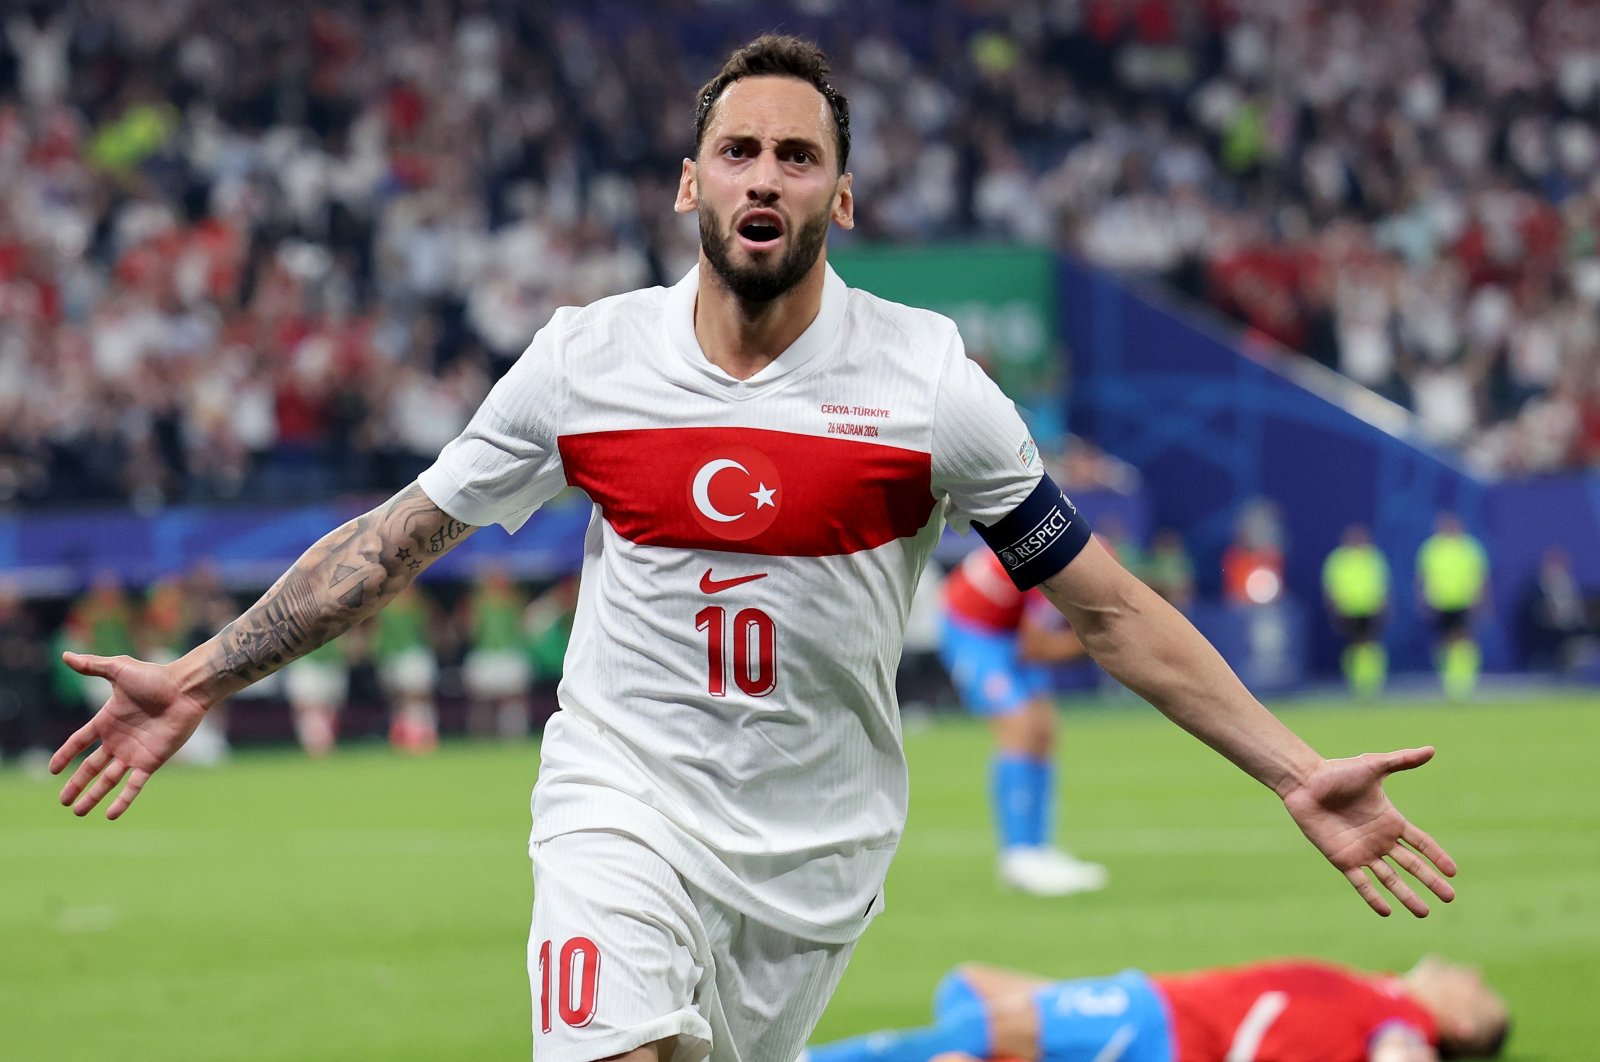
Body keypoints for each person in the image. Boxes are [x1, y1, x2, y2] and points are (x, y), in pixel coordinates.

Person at [50, 36, 1458, 1062]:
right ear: (690, 184)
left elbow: (1105, 608)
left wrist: (1293, 769)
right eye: (740, 151)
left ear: (840, 198)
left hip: (816, 851)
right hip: (622, 798)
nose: (765, 175)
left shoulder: (931, 389)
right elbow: (401, 535)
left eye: (798, 155)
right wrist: (204, 673)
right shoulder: (584, 362)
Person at [807, 955, 1509, 1062]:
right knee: (969, 984)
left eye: (1479, 993)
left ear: (1465, 1026)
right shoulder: (1383, 988)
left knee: (984, 1027)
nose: (1469, 973)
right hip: (1166, 1004)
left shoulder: (1405, 1024)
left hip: (1172, 1026)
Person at [938, 545, 1107, 896]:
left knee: (1043, 730)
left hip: (1007, 628)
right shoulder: (1044, 573)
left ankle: (1038, 848)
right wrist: (1091, 644)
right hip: (975, 631)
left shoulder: (1062, 560)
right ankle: (1017, 856)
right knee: (1019, 727)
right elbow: (1035, 647)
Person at [1415, 513, 1489, 700]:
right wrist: (1422, 599)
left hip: (1464, 601)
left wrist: (1481, 599)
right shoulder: (1431, 548)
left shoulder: (1470, 547)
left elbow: (1480, 577)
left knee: (1463, 639)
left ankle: (1463, 681)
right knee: (1444, 641)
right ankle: (1448, 680)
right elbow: (1421, 578)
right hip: (1439, 602)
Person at [1322, 525, 1391, 698]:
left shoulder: (1372, 557)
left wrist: (1384, 605)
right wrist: (1333, 606)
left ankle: (1372, 681)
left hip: (1370, 607)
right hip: (1348, 608)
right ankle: (1357, 682)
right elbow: (1330, 586)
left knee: (1370, 644)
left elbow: (1383, 584)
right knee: (1354, 645)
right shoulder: (1338, 559)